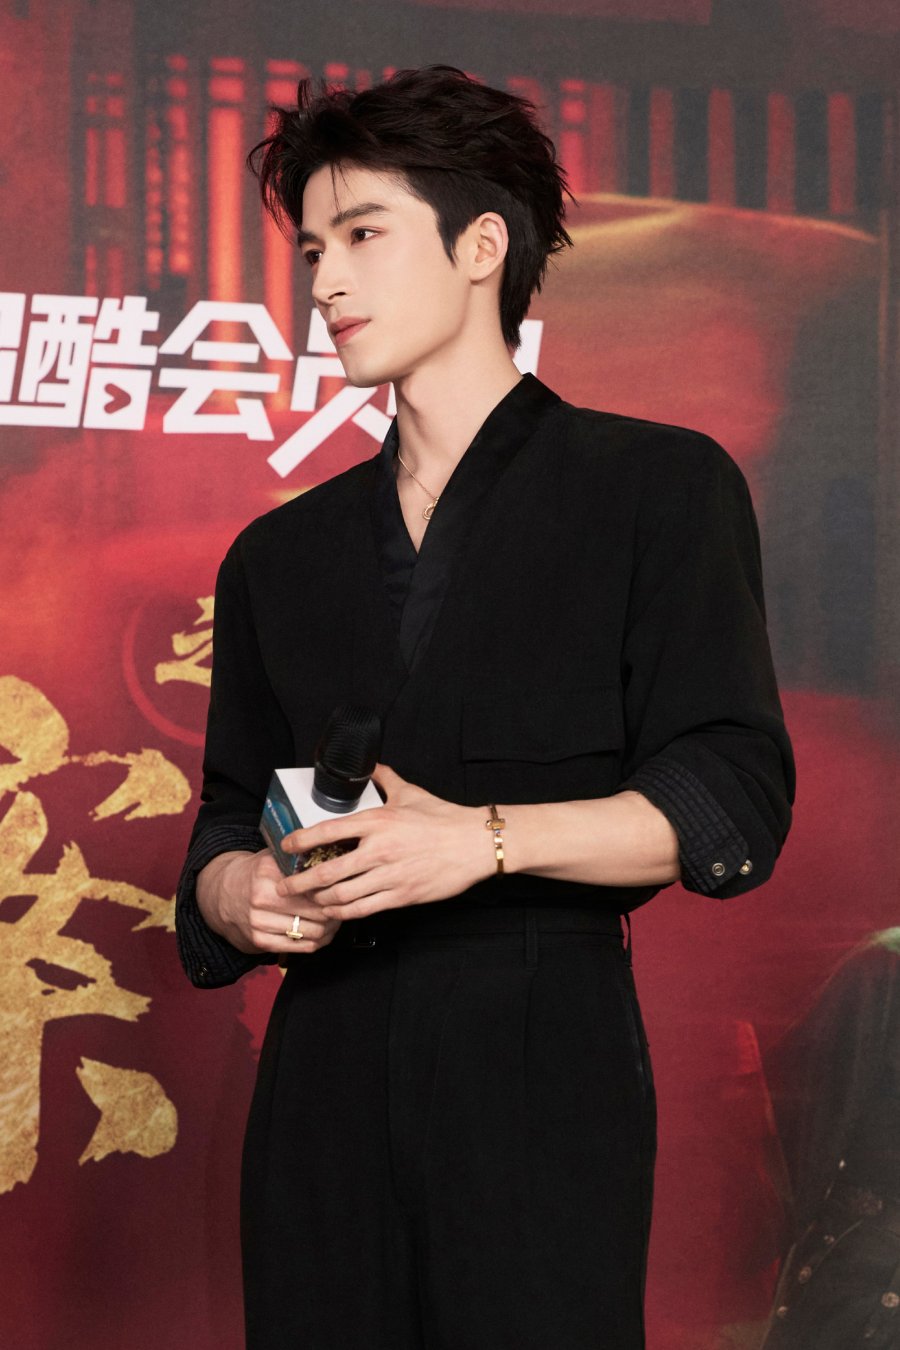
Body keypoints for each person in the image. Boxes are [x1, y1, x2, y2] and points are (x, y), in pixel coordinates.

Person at [175, 64, 795, 1350]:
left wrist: (482, 842)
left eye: (363, 235)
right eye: (312, 250)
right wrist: (239, 895)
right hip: (323, 1073)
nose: (325, 282)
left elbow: (730, 795)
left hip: (539, 1061)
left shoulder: (657, 489)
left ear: (482, 248)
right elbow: (225, 823)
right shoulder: (276, 557)